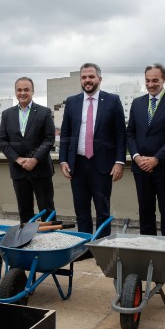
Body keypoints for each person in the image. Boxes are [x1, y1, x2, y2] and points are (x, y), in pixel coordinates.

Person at [59, 63, 126, 239]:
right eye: (84, 77)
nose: (87, 80)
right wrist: (63, 160)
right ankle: (83, 247)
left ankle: (103, 246)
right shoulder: (72, 102)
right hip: (77, 164)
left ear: (99, 79)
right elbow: (65, 133)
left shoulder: (112, 100)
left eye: (91, 77)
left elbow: (121, 134)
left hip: (102, 165)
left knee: (102, 210)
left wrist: (119, 161)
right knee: (81, 210)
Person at [127, 63, 165, 236]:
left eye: (155, 80)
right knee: (145, 217)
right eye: (147, 80)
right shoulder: (137, 103)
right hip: (141, 170)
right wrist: (137, 157)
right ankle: (148, 258)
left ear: (164, 80)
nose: (151, 84)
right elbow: (130, 133)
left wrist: (156, 159)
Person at [0, 77, 55, 222]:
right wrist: (17, 159)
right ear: (15, 92)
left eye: (26, 90)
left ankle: (49, 241)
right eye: (19, 90)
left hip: (40, 169)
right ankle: (27, 241)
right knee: (24, 211)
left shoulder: (44, 112)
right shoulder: (7, 114)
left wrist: (34, 159)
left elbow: (49, 139)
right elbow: (2, 141)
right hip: (18, 170)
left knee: (47, 210)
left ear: (32, 91)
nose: (22, 93)